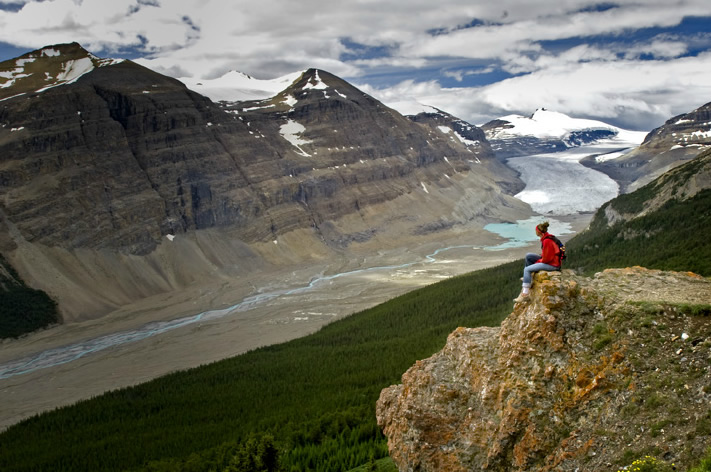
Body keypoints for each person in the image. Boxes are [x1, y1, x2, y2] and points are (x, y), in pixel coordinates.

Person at [514, 221, 561, 302]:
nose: (535, 232)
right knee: (529, 256)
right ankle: (529, 279)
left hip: (553, 265)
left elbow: (547, 259)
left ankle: (525, 294)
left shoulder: (546, 241)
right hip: (552, 261)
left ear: (539, 232)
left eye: (536, 230)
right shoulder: (547, 237)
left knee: (527, 269)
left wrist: (538, 261)